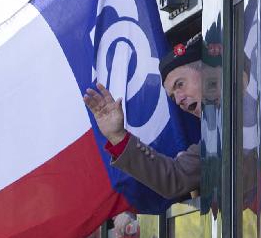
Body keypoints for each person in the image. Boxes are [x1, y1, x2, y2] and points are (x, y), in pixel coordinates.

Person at [83, 34, 204, 199]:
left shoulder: (250, 101)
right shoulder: (212, 141)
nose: (179, 100)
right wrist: (118, 137)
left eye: (180, 84)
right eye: (173, 97)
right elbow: (174, 177)